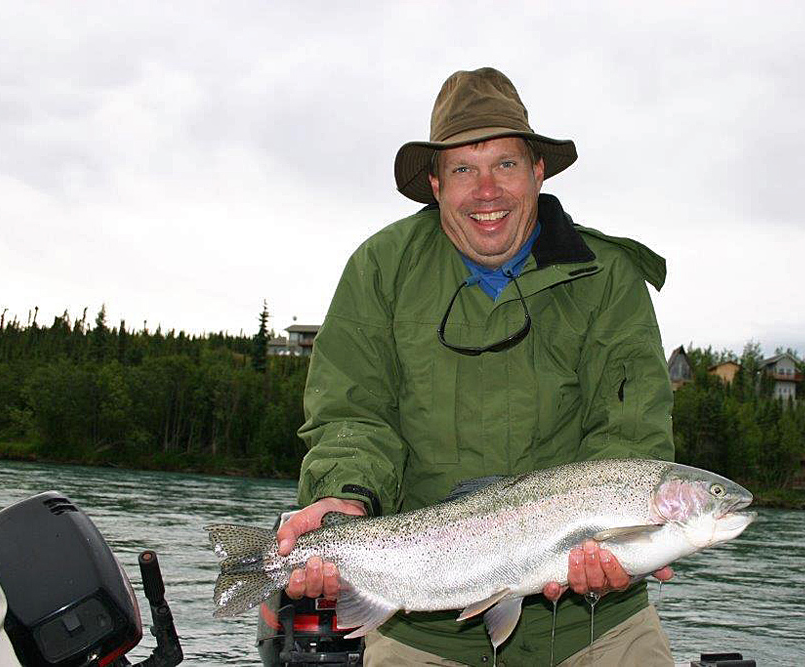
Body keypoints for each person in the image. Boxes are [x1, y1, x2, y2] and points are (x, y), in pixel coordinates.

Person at [277, 67, 676, 666]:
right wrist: (342, 498)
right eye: (464, 168)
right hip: (420, 625)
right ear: (435, 183)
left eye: (506, 165)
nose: (486, 191)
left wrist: (611, 542)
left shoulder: (610, 276)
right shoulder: (380, 270)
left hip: (596, 626)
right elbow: (351, 416)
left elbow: (630, 438)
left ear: (538, 171)